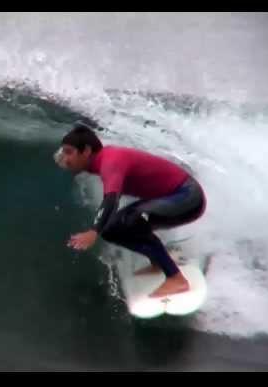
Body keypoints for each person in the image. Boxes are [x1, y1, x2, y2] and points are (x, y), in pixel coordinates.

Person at [53, 124, 207, 297]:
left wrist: (94, 231)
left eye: (68, 152)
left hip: (188, 197)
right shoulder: (100, 162)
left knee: (133, 220)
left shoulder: (111, 159)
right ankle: (159, 261)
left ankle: (177, 279)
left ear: (87, 150)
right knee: (110, 229)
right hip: (170, 199)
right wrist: (101, 229)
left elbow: (111, 200)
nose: (64, 157)